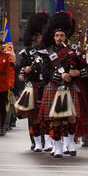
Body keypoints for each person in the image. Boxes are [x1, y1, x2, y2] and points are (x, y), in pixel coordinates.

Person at [40, 12, 87, 158]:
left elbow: (87, 69)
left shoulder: (74, 51)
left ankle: (70, 143)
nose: (59, 38)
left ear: (65, 36)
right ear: (53, 37)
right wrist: (61, 75)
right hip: (54, 87)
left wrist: (77, 73)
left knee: (72, 117)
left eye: (61, 35)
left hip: (70, 88)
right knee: (56, 120)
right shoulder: (48, 53)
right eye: (57, 35)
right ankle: (57, 146)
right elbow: (45, 73)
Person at [15, 12, 50, 152]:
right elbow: (21, 70)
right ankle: (35, 141)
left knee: (46, 115)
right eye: (38, 36)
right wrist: (25, 70)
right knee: (33, 115)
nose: (40, 38)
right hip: (33, 85)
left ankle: (46, 140)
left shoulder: (49, 51)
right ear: (34, 37)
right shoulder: (27, 52)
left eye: (42, 35)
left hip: (45, 85)